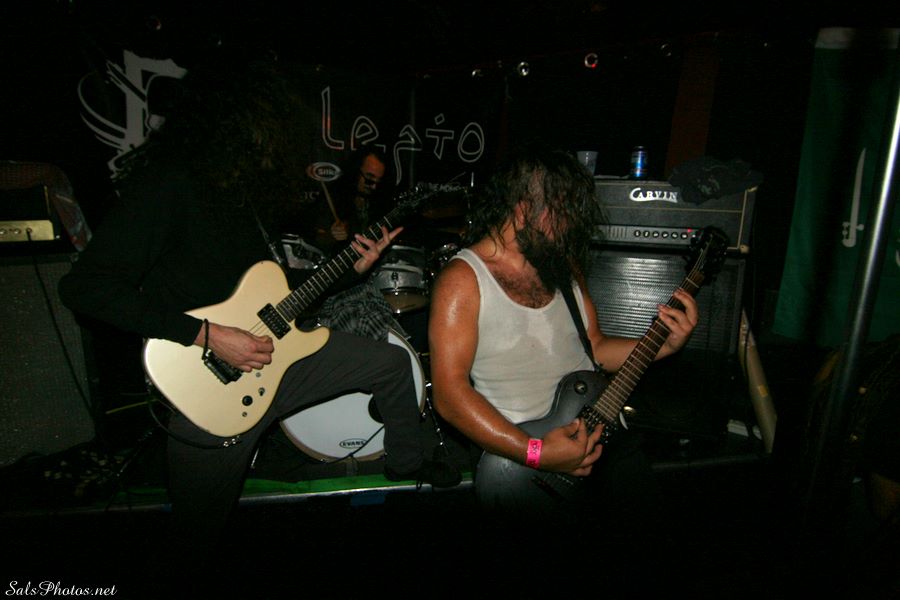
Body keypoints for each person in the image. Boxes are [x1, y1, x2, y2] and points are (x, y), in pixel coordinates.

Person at [57, 58, 460, 557]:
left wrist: (350, 267)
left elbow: (276, 290)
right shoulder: (167, 186)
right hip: (212, 384)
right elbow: (86, 288)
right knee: (196, 536)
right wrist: (208, 335)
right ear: (240, 123)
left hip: (278, 357)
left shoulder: (239, 198)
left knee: (392, 364)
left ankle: (406, 464)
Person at [427, 148, 699, 593]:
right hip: (527, 469)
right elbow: (450, 395)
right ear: (522, 209)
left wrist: (664, 346)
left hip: (602, 436)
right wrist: (537, 452)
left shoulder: (560, 265)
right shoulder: (463, 279)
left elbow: (596, 349)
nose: (569, 225)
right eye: (561, 212)